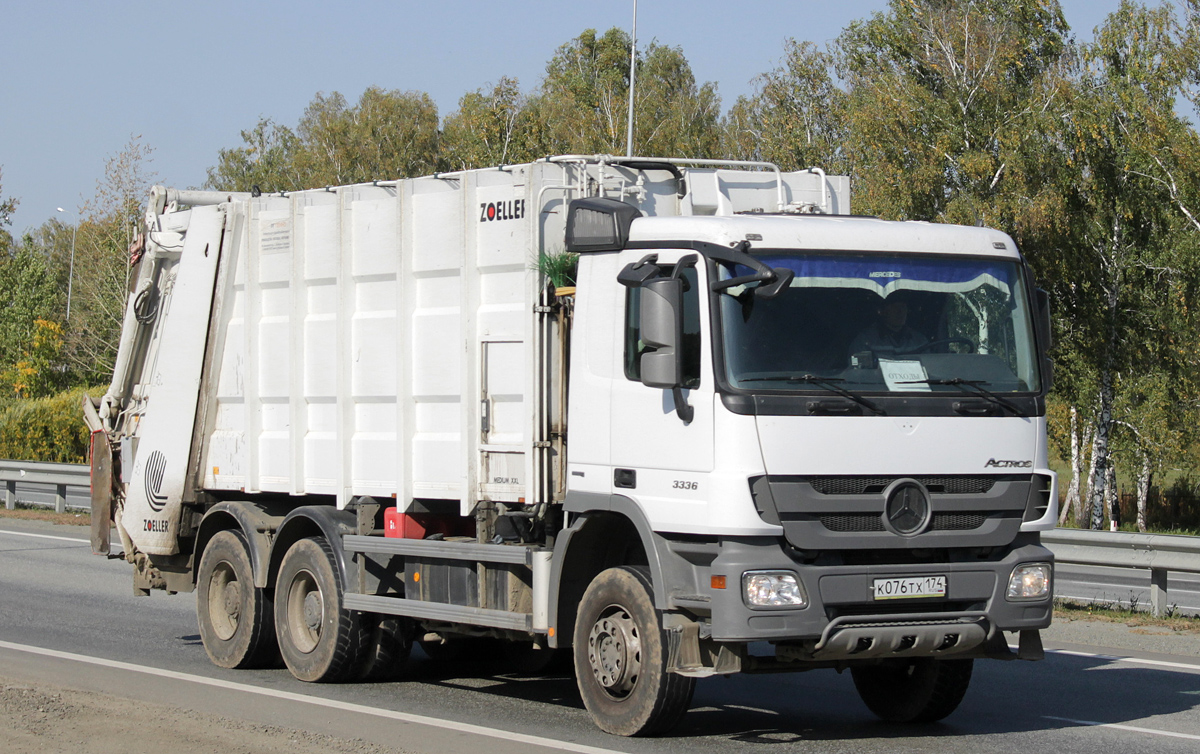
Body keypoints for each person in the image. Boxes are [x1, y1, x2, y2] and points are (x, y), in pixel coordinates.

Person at [849, 294, 927, 357]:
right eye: (894, 307)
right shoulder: (865, 340)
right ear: (883, 312)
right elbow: (857, 371)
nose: (900, 312)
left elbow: (929, 368)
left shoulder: (919, 341)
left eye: (903, 307)